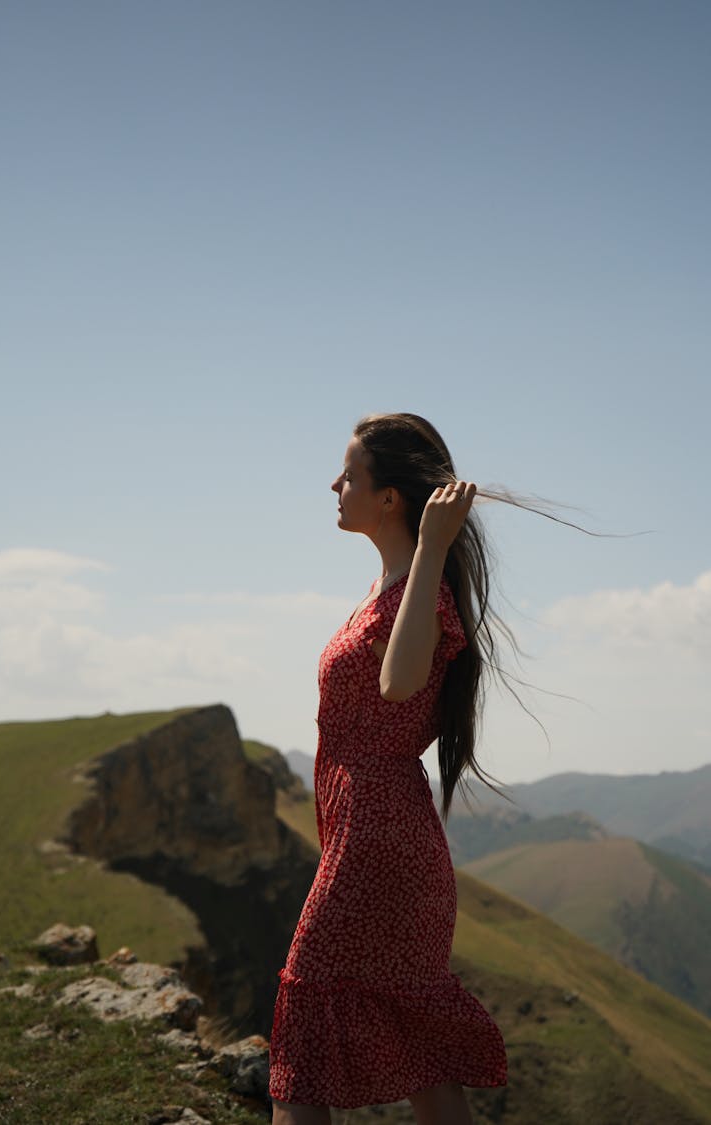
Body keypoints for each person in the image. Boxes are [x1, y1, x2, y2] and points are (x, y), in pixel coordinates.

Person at [268, 412, 508, 1125]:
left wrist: (434, 545)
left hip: (381, 836)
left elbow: (399, 684)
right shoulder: (391, 588)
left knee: (307, 1014)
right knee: (421, 1049)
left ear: (389, 498)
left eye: (350, 475)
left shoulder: (421, 590)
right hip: (373, 833)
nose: (335, 485)